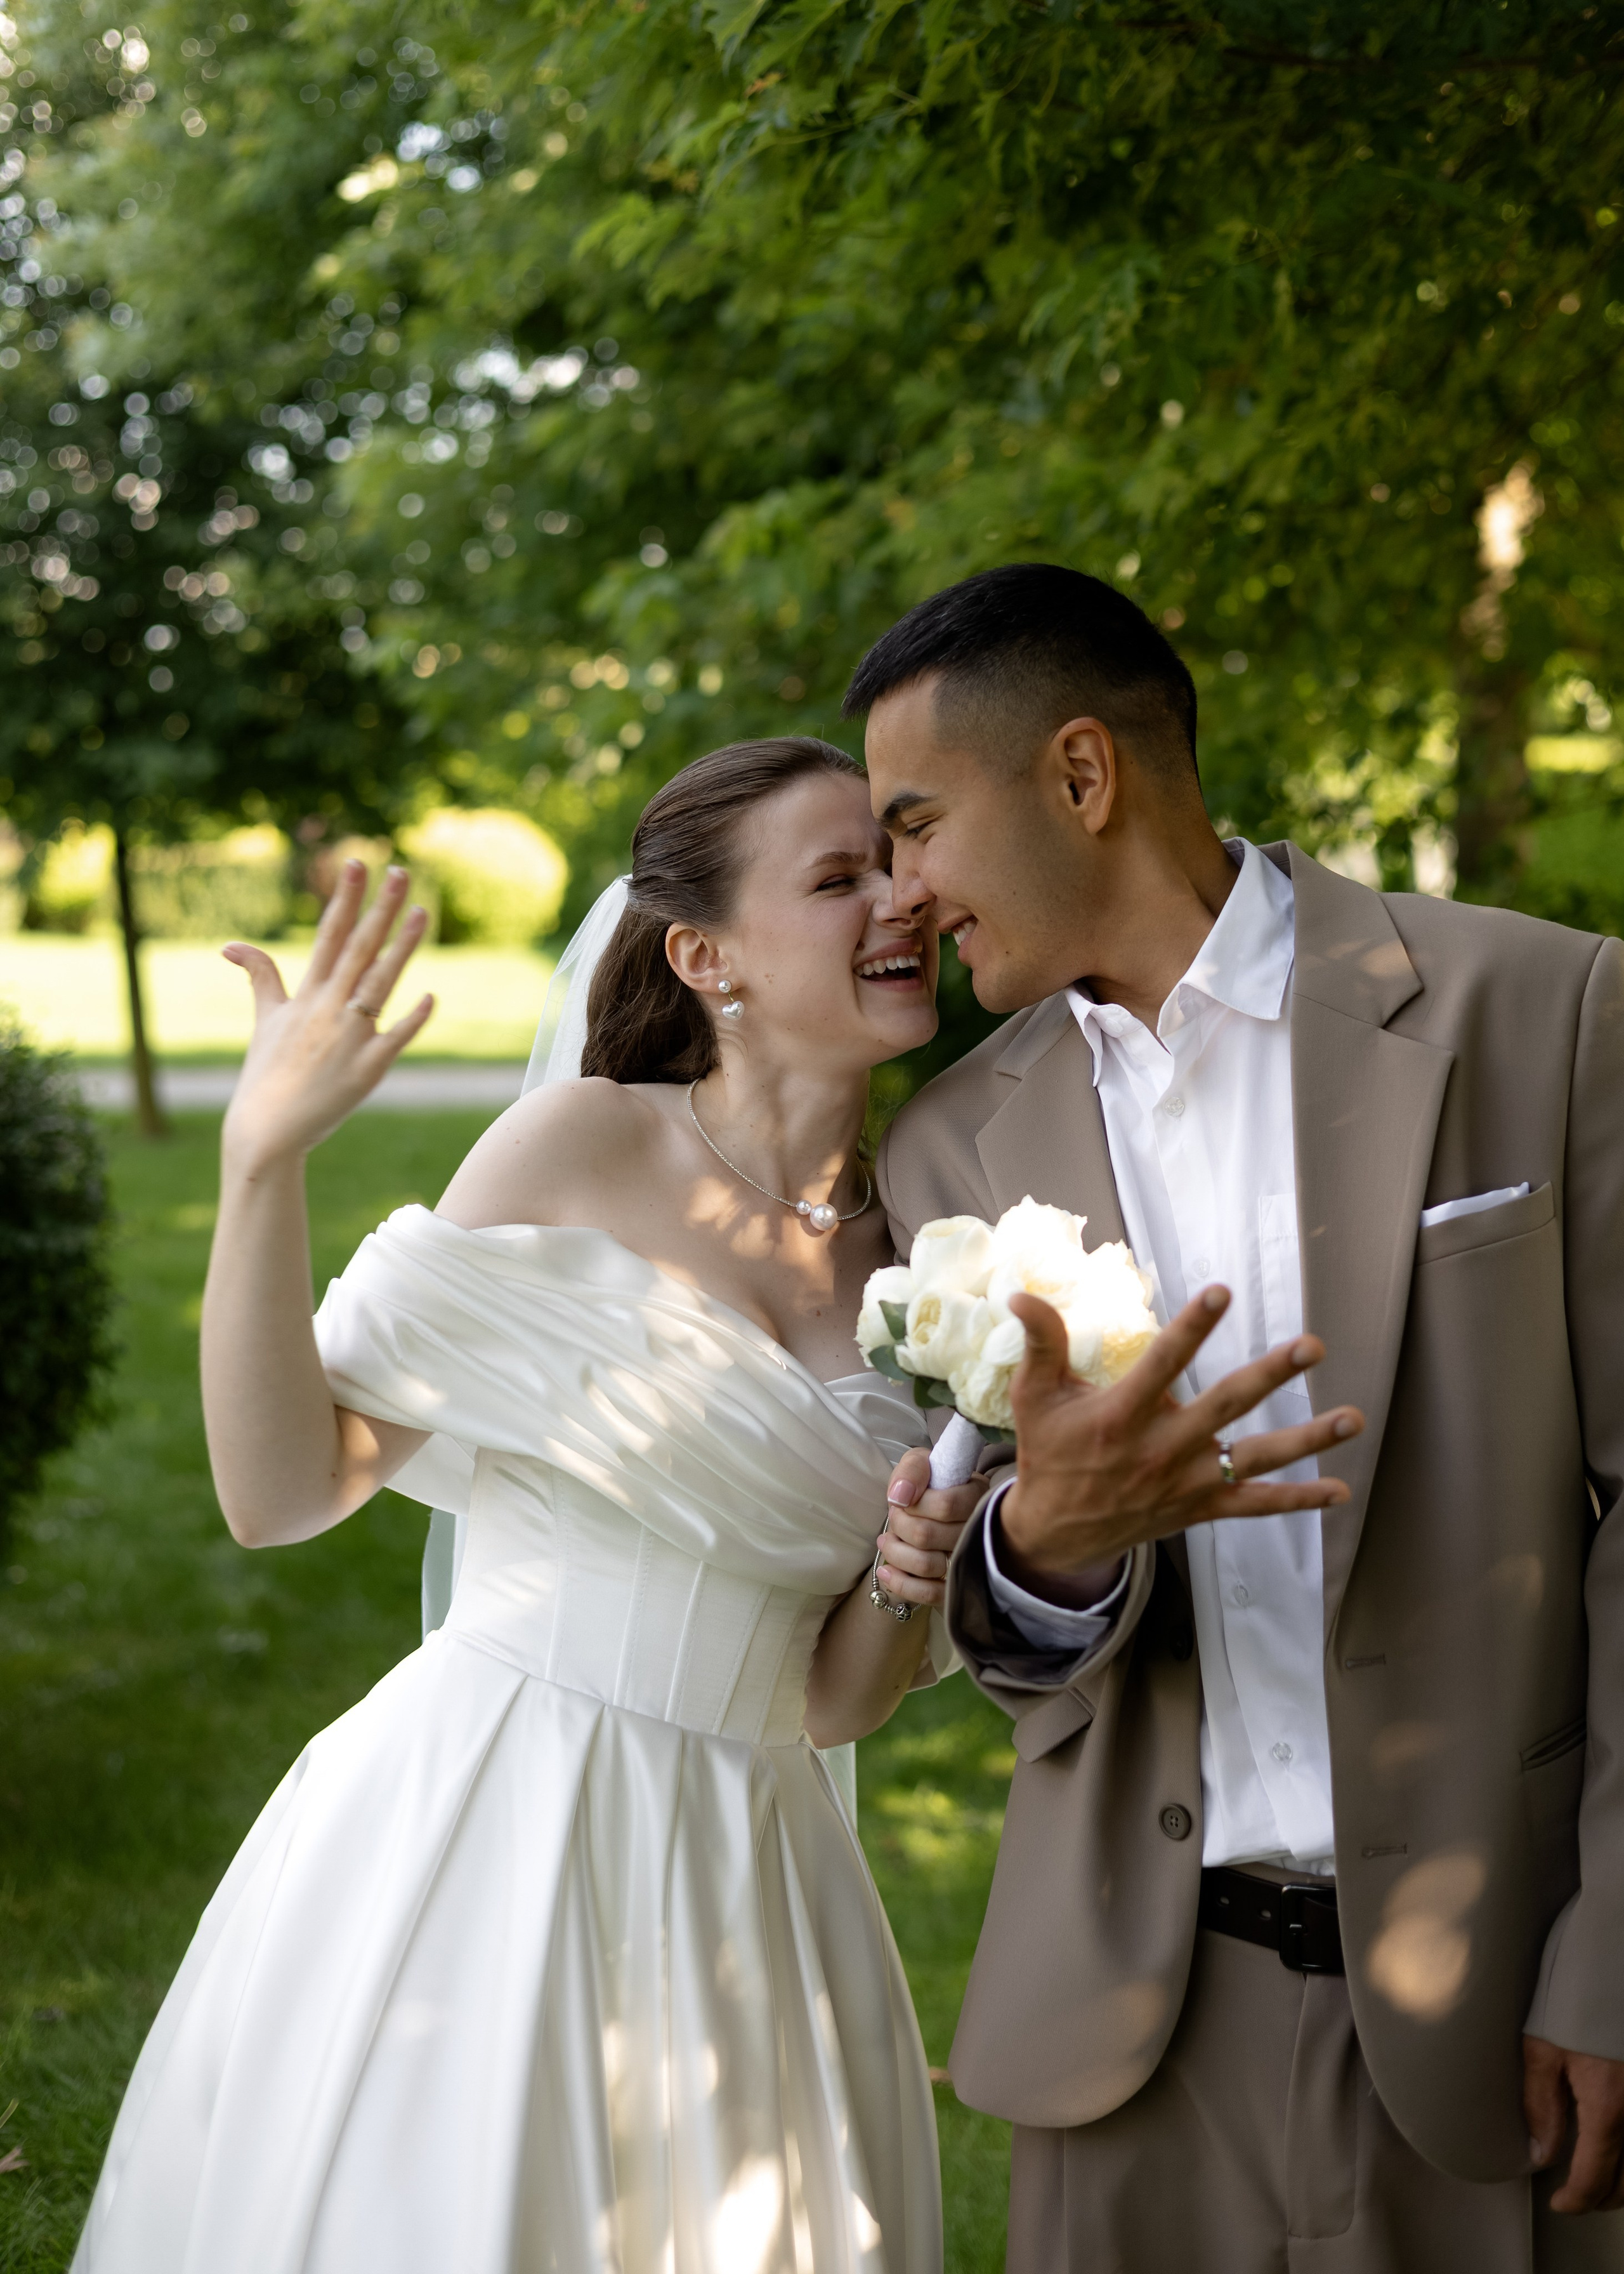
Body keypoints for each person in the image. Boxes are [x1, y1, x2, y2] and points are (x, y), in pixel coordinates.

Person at [72, 736, 981, 2274]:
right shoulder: (582, 1150)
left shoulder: (929, 1257)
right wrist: (260, 1167)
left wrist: (903, 1575)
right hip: (493, 1816)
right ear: (704, 956)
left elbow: (831, 1707)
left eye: (896, 859)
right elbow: (280, 1492)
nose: (898, 899)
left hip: (753, 1868)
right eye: (838, 876)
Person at [853, 564, 1624, 2273]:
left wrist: (1613, 1959)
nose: (896, 896)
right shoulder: (948, 1154)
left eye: (915, 827)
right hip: (1132, 2037)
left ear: (1081, 776)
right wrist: (1052, 1544)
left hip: (1505, 2009)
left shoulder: (1546, 1012)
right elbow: (1002, 1641)